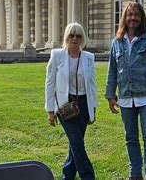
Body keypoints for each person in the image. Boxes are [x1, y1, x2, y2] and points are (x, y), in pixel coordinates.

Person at [105, 2, 146, 180]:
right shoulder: (116, 42)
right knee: (130, 138)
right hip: (125, 98)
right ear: (124, 17)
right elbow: (112, 71)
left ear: (141, 18)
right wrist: (110, 95)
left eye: (136, 15)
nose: (132, 18)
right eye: (129, 14)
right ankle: (135, 174)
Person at [45, 22, 98, 180]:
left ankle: (68, 175)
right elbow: (50, 83)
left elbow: (92, 85)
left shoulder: (88, 58)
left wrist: (93, 108)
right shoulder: (57, 55)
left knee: (75, 143)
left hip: (83, 104)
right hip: (64, 105)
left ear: (82, 38)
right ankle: (88, 176)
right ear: (66, 37)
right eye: (71, 35)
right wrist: (50, 110)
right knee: (76, 142)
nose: (75, 38)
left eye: (78, 35)